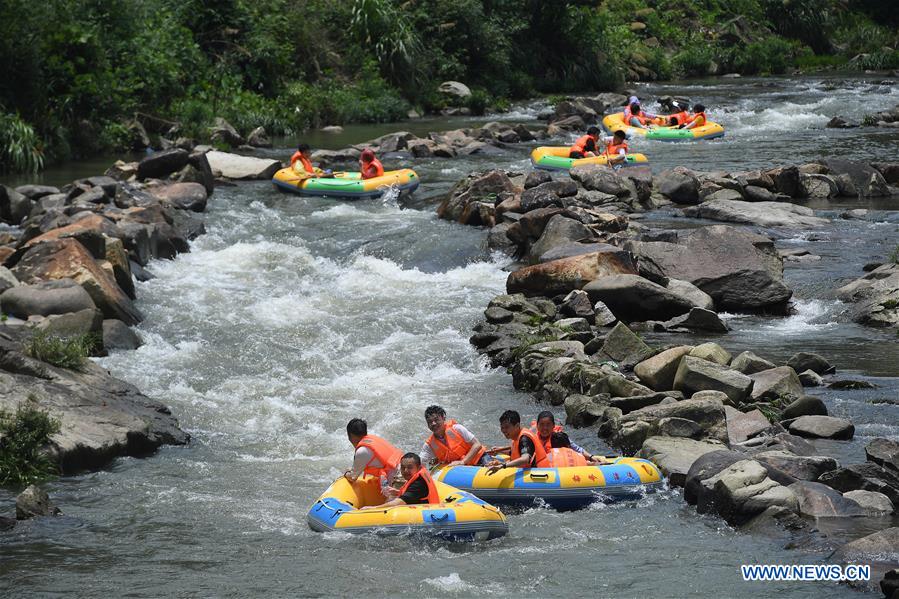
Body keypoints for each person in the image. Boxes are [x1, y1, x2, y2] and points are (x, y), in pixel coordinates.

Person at [344, 418, 403, 496]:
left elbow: (353, 477)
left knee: (389, 505)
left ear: (351, 436)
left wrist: (346, 473)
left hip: (399, 479)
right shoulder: (373, 439)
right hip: (405, 469)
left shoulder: (362, 451)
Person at [362, 453, 441, 509]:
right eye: (403, 467)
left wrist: (374, 508)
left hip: (427, 519)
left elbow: (399, 503)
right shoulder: (417, 477)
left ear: (419, 468)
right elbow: (415, 495)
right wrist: (398, 492)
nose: (405, 470)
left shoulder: (419, 483)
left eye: (410, 467)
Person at [420, 405, 489, 467]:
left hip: (479, 458)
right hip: (457, 470)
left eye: (436, 420)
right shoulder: (430, 445)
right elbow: (420, 462)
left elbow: (477, 444)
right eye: (430, 422)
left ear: (443, 418)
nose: (433, 424)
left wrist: (463, 462)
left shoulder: (457, 428)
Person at [529, 411, 604, 462]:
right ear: (537, 426)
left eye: (548, 425)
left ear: (553, 426)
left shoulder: (560, 438)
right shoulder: (531, 438)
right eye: (542, 424)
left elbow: (577, 449)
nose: (545, 428)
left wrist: (591, 457)